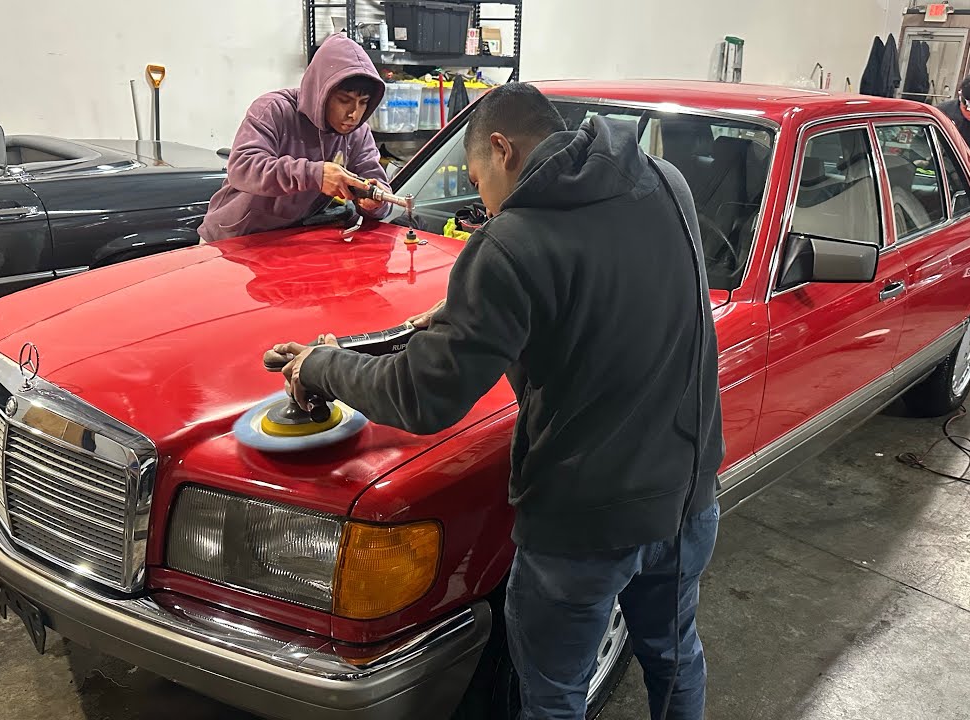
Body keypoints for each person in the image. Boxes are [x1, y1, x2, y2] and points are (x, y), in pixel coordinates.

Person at [266, 83, 724, 719]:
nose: (483, 206)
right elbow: (616, 294)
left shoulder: (513, 242)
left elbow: (423, 397)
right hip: (687, 497)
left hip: (582, 526)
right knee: (675, 659)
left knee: (555, 694)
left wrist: (322, 365)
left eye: (478, 181)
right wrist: (472, 315)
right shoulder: (665, 183)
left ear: (503, 149)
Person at [198, 33, 391, 242]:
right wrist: (315, 175)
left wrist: (376, 203)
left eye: (363, 102)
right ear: (321, 92)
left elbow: (377, 183)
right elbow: (243, 167)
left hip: (288, 242)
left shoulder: (357, 134)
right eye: (344, 100)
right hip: (231, 241)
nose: (355, 114)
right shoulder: (273, 110)